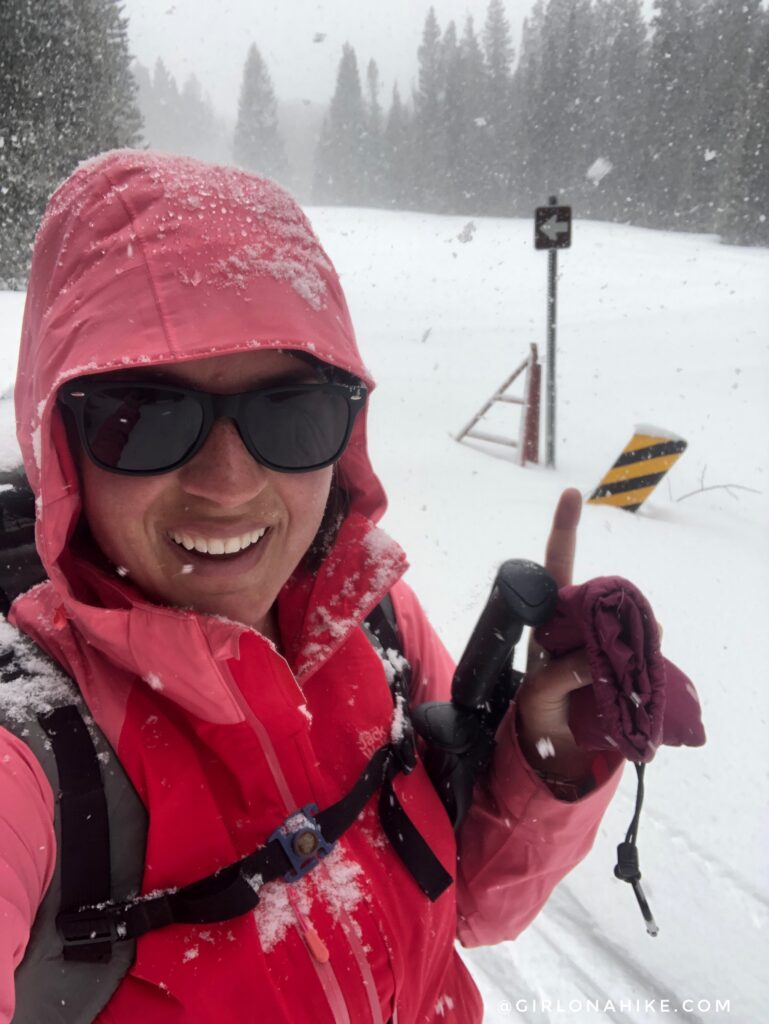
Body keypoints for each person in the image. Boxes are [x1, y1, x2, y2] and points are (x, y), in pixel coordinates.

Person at [0, 150, 623, 1024]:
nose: (227, 483)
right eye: (145, 418)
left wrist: (543, 759)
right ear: (61, 439)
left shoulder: (371, 621)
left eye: (290, 413)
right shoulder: (28, 741)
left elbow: (470, 904)